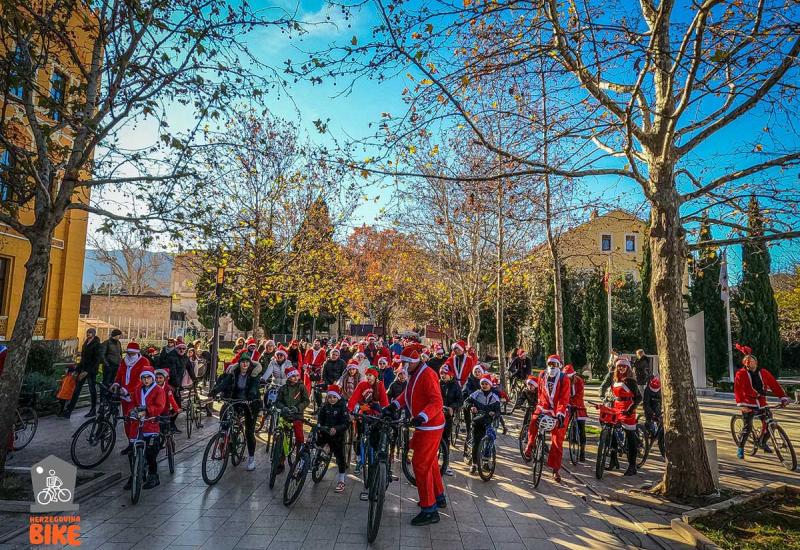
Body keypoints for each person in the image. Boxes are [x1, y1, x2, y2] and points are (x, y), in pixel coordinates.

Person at [382, 343, 445, 526]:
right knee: (430, 461)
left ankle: (429, 509)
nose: (402, 366)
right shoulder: (414, 373)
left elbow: (437, 401)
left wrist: (422, 416)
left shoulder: (428, 375)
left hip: (430, 426)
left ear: (413, 362)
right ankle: (438, 496)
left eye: (405, 362)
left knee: (420, 464)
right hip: (425, 425)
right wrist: (394, 405)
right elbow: (408, 394)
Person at [733, 344, 789, 459]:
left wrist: (782, 398)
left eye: (752, 361)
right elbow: (738, 389)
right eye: (747, 361)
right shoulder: (741, 374)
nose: (750, 363)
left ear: (756, 362)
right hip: (748, 403)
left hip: (762, 403)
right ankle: (740, 447)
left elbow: (774, 385)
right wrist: (741, 405)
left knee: (771, 424)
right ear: (745, 363)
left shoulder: (763, 372)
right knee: (747, 428)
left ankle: (762, 442)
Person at [524, 355, 571, 482]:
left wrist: (560, 412)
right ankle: (529, 446)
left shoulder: (564, 378)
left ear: (559, 366)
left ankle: (555, 469)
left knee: (557, 439)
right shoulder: (542, 375)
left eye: (554, 364)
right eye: (550, 364)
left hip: (558, 410)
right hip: (543, 406)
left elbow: (564, 397)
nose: (552, 366)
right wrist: (539, 404)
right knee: (533, 421)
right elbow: (540, 391)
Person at [210, 356, 263, 471]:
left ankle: (251, 459)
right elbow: (224, 383)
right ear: (239, 364)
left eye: (247, 362)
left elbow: (254, 387)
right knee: (225, 410)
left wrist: (251, 396)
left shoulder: (254, 374)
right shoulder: (234, 373)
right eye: (242, 362)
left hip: (250, 403)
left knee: (249, 431)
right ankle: (225, 436)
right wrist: (214, 391)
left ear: (249, 364)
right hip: (236, 400)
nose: (244, 364)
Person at [123, 369, 165, 490]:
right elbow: (133, 403)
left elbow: (160, 406)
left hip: (150, 423)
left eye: (148, 377)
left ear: (152, 378)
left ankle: (153, 476)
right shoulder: (137, 389)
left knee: (151, 453)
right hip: (137, 424)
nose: (146, 380)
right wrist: (130, 412)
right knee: (132, 452)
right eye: (143, 378)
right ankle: (135, 475)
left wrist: (147, 409)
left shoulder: (158, 390)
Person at [347, 366, 389, 475]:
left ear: (375, 376)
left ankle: (375, 456)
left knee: (376, 437)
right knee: (359, 437)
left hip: (376, 415)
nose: (368, 377)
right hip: (363, 414)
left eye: (370, 375)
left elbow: (384, 402)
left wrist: (386, 413)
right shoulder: (362, 385)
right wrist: (350, 410)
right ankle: (359, 460)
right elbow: (354, 398)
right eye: (367, 375)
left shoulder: (380, 385)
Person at [111, 342, 152, 455]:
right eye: (128, 353)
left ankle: (138, 442)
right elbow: (120, 374)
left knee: (134, 420)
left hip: (137, 396)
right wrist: (116, 384)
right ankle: (130, 442)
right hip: (124, 396)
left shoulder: (144, 361)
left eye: (132, 353)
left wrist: (130, 390)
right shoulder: (124, 361)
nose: (130, 355)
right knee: (126, 420)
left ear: (137, 352)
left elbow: (144, 380)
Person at [609, 357, 642, 476]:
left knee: (630, 435)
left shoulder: (630, 381)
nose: (621, 368)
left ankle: (632, 466)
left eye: (624, 366)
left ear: (628, 367)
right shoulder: (615, 379)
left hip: (628, 408)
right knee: (612, 432)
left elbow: (639, 397)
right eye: (619, 366)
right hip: (616, 407)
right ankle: (613, 460)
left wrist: (630, 409)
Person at [274, 366, 310, 472]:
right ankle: (280, 461)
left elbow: (306, 401)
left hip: (297, 415)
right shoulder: (283, 388)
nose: (295, 377)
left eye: (297, 375)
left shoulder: (301, 387)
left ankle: (300, 457)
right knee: (281, 438)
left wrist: (298, 408)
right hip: (285, 416)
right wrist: (283, 408)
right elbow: (278, 401)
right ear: (288, 377)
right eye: (293, 376)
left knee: (299, 437)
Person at [465, 374, 501, 474]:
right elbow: (466, 402)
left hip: (488, 422)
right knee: (476, 443)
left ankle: (485, 462)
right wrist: (471, 407)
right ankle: (474, 464)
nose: (484, 385)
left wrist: (494, 413)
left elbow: (498, 410)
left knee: (489, 441)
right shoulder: (476, 394)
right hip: (477, 422)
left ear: (490, 385)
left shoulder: (494, 397)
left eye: (486, 384)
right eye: (482, 384)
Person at [317, 384, 350, 493]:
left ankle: (341, 480)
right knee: (315, 444)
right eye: (330, 397)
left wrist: (336, 429)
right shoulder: (324, 406)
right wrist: (318, 426)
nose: (332, 399)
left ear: (338, 397)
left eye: (334, 397)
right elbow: (320, 419)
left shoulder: (342, 407)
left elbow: (345, 423)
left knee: (340, 457)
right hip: (325, 432)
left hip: (337, 435)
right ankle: (314, 462)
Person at [63, 328, 102, 419]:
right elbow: (83, 359)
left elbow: (96, 360)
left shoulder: (97, 345)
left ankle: (93, 410)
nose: (88, 334)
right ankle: (69, 410)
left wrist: (87, 371)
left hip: (91, 371)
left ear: (94, 334)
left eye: (90, 333)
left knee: (92, 390)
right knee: (77, 390)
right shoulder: (85, 343)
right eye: (87, 332)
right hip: (83, 369)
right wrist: (77, 370)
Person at [439, 365, 463, 475]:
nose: (443, 375)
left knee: (445, 439)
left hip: (447, 415)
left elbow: (460, 400)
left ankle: (446, 463)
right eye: (441, 373)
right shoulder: (437, 383)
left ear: (450, 374)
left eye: (445, 373)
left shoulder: (455, 386)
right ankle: (433, 461)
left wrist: (452, 407)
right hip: (435, 414)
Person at [563, 364, 587, 462]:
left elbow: (580, 394)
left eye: (569, 377)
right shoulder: (563, 381)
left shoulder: (579, 381)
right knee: (564, 423)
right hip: (567, 404)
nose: (567, 379)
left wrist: (573, 402)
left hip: (578, 405)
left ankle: (582, 451)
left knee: (581, 427)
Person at [643, 377, 663, 454]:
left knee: (661, 423)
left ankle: (659, 438)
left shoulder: (661, 390)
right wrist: (650, 413)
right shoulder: (647, 390)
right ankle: (647, 436)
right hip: (649, 407)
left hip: (657, 408)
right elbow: (646, 403)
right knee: (649, 424)